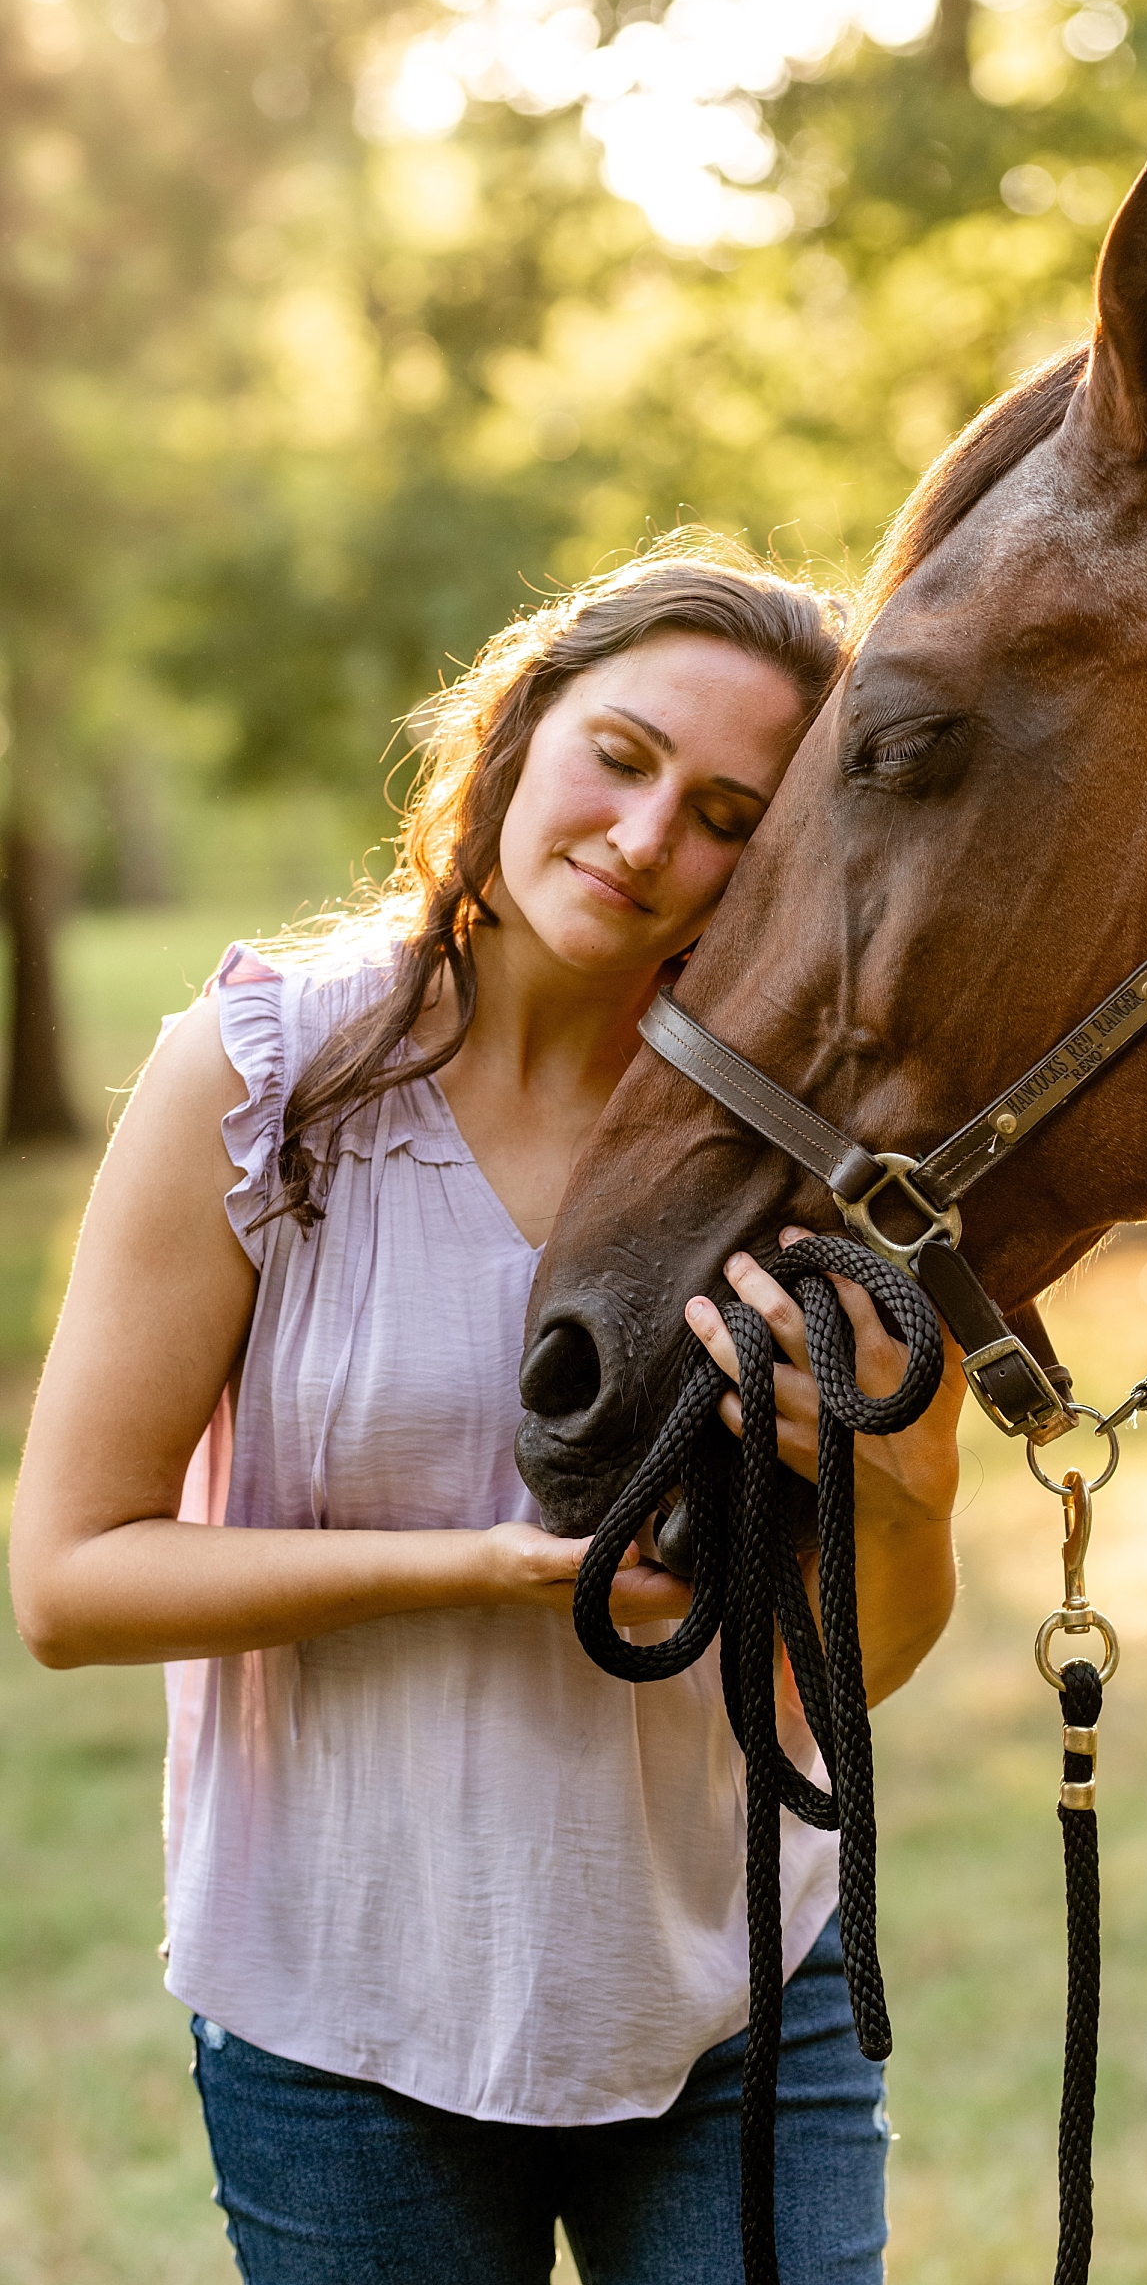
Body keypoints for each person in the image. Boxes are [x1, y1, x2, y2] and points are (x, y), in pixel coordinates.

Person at [8, 540, 968, 2285]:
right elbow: (71, 1584)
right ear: (522, 730)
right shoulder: (264, 1082)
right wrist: (489, 1569)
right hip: (340, 2017)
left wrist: (908, 1495)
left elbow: (848, 1675)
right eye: (624, 755)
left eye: (732, 813)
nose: (647, 834)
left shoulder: (792, 1154)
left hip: (731, 1992)